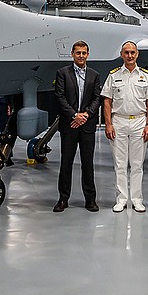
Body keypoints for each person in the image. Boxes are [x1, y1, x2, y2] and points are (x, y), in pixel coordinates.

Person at [101, 41, 148, 213]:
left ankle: (137, 199)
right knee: (120, 164)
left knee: (137, 164)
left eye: (133, 52)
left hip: (140, 121)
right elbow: (107, 100)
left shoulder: (145, 76)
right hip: (119, 122)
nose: (130, 55)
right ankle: (121, 199)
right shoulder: (114, 75)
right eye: (126, 52)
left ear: (137, 54)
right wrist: (108, 124)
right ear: (122, 54)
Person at [53, 40, 102, 213]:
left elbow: (97, 98)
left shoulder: (94, 75)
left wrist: (86, 115)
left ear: (88, 54)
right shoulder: (62, 73)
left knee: (87, 164)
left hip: (87, 126)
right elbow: (59, 97)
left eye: (84, 53)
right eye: (78, 53)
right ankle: (63, 199)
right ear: (72, 54)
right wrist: (74, 115)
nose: (81, 56)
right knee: (66, 163)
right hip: (70, 125)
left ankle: (90, 200)